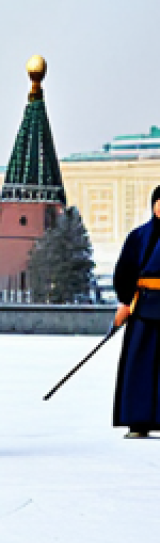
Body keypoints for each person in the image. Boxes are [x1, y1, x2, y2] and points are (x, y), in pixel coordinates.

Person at [112, 186, 160, 438]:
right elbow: (125, 271)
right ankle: (138, 421)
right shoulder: (139, 236)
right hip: (143, 307)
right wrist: (123, 302)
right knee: (139, 365)